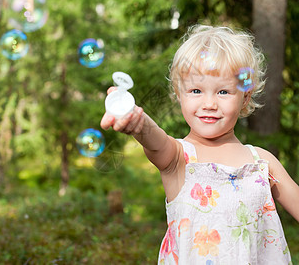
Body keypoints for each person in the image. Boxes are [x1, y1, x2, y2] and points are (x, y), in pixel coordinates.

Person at [101, 25, 299, 264]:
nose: (209, 103)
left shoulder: (262, 162)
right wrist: (137, 121)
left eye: (223, 92)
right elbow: (155, 140)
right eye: (196, 90)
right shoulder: (178, 158)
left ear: (245, 97)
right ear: (179, 93)